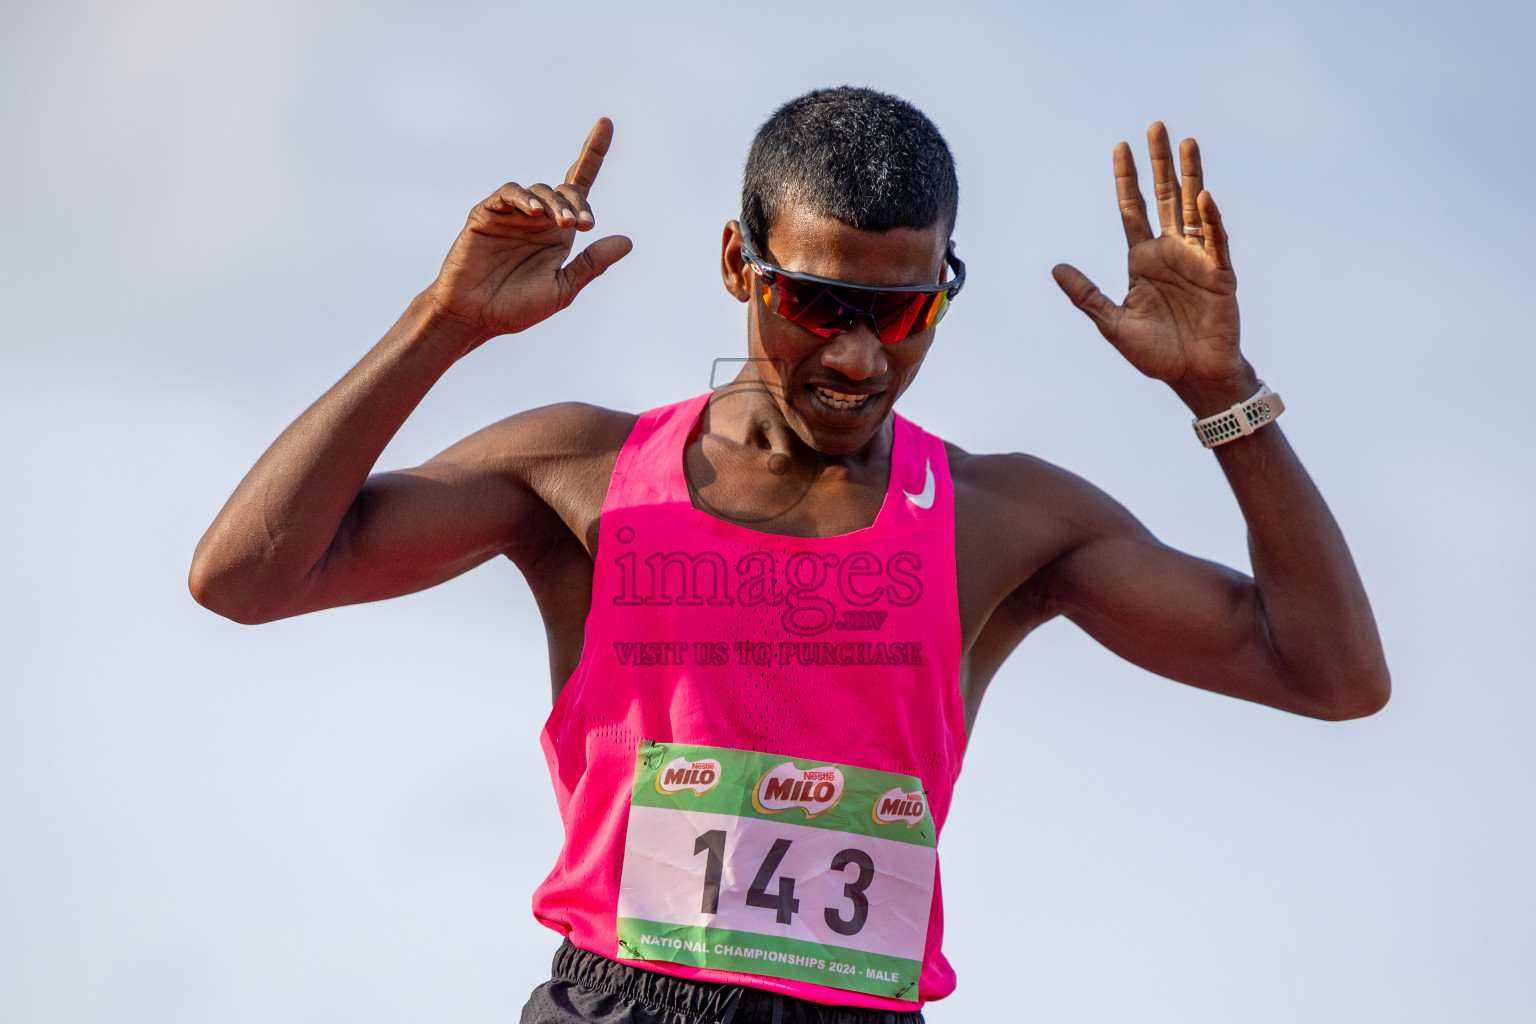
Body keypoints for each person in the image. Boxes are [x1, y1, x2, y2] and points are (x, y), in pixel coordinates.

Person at [189, 88, 1389, 1023]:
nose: (860, 358)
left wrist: (1223, 395)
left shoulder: (1004, 519)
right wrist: (441, 323)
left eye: (905, 311)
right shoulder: (578, 475)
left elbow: (1331, 675)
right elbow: (246, 577)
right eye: (817, 303)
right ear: (737, 264)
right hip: (615, 1003)